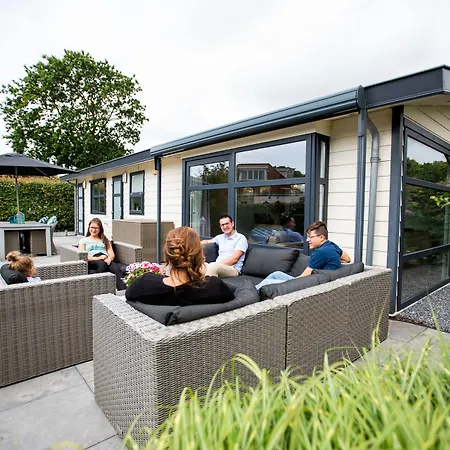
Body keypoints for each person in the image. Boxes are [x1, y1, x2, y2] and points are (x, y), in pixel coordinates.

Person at [126, 226, 235, 306]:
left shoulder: (144, 284)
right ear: (199, 255)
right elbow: (240, 293)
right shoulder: (215, 287)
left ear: (167, 255)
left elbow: (128, 296)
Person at [256, 221, 351, 290]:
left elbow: (303, 278)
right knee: (276, 274)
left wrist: (288, 282)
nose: (307, 240)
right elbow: (347, 259)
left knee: (267, 283)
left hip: (309, 286)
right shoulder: (332, 246)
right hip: (316, 281)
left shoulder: (320, 252)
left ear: (321, 237)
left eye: (310, 237)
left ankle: (253, 295)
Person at [79, 218, 126, 290]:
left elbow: (111, 254)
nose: (93, 230)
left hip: (105, 259)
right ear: (89, 227)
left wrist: (109, 259)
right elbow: (82, 257)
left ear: (100, 229)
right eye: (92, 227)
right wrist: (98, 258)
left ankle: (123, 289)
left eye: (96, 228)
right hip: (92, 259)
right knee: (102, 264)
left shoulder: (104, 240)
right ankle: (98, 288)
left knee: (116, 268)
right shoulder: (83, 241)